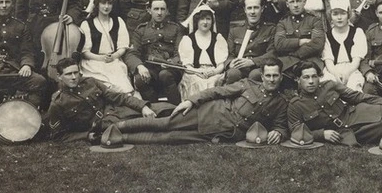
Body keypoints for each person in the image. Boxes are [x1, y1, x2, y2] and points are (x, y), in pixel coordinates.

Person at [98, 58, 290, 147]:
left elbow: (281, 125)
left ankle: (117, 138)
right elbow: (215, 91)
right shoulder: (247, 84)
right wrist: (190, 101)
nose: (271, 79)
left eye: (275, 76)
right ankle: (114, 127)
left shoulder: (281, 103)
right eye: (268, 75)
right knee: (164, 124)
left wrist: (278, 132)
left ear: (281, 77)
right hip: (209, 113)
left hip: (224, 133)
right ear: (262, 76)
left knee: (169, 139)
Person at [287, 61, 382, 145]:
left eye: (314, 76)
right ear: (298, 79)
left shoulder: (329, 85)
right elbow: (295, 132)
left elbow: (357, 96)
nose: (311, 81)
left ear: (319, 77)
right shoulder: (295, 105)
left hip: (355, 114)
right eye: (306, 77)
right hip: (348, 133)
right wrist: (322, 134)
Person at [46, 58, 164, 143]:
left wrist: (143, 107)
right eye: (68, 74)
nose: (74, 77)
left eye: (76, 72)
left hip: (116, 112)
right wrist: (86, 135)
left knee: (163, 108)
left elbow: (118, 97)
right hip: (107, 127)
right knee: (156, 125)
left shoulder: (90, 82)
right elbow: (58, 136)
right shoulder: (58, 103)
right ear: (59, 76)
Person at [79, 0, 138, 96]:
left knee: (120, 79)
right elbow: (85, 52)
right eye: (103, 3)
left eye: (109, 3)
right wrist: (100, 58)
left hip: (113, 60)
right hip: (93, 63)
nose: (106, 6)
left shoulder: (118, 21)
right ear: (97, 4)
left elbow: (123, 46)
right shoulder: (87, 24)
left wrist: (114, 56)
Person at [123, 0, 183, 104]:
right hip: (150, 70)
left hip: (171, 71)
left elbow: (180, 52)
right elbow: (132, 54)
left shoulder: (175, 29)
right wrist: (140, 66)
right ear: (149, 10)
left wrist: (172, 62)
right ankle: (154, 108)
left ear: (167, 11)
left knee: (165, 75)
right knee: (140, 79)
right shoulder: (141, 30)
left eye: (162, 9)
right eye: (156, 9)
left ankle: (176, 109)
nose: (159, 13)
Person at [274, 0, 325, 83]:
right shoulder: (283, 22)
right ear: (287, 4)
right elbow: (279, 44)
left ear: (304, 2)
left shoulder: (314, 20)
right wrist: (300, 42)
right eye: (292, 2)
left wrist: (295, 54)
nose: (296, 5)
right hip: (288, 64)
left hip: (311, 61)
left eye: (298, 1)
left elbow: (317, 44)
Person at [223, 0, 277, 84]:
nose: (252, 12)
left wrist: (252, 61)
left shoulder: (270, 29)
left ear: (262, 9)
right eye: (249, 8)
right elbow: (229, 54)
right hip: (239, 68)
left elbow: (272, 54)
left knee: (255, 75)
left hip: (259, 67)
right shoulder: (235, 30)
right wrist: (230, 63)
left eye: (256, 8)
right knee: (232, 74)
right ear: (244, 10)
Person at [177, 6, 229, 100]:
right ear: (197, 21)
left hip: (214, 73)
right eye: (202, 19)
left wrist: (213, 72)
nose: (205, 22)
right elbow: (187, 67)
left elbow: (221, 65)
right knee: (197, 82)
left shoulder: (218, 38)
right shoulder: (188, 39)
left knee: (213, 82)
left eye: (208, 19)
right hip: (194, 73)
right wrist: (198, 71)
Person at [321, 0, 367, 92]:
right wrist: (336, 74)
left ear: (348, 15)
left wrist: (347, 73)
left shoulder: (357, 32)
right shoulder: (327, 36)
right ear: (331, 16)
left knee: (353, 87)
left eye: (343, 13)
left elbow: (356, 60)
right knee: (329, 87)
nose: (339, 17)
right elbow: (328, 61)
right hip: (332, 70)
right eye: (335, 14)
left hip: (352, 69)